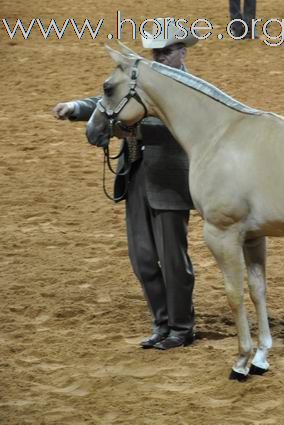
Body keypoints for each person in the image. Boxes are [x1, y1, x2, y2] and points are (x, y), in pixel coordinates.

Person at [52, 19, 198, 350]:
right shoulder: (145, 78)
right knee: (143, 257)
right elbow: (113, 98)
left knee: (173, 260)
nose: (158, 58)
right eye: (155, 52)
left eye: (165, 52)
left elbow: (182, 127)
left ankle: (181, 327)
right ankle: (161, 323)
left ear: (181, 52)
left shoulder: (191, 89)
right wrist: (76, 108)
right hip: (136, 174)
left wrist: (137, 130)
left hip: (171, 182)